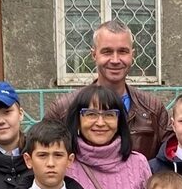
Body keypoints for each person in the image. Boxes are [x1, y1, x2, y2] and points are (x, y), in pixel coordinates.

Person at [44, 20, 174, 158]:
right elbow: (42, 154)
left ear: (132, 55)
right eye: (107, 52)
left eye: (123, 51)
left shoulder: (152, 109)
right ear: (94, 55)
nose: (115, 60)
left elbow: (170, 157)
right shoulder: (64, 109)